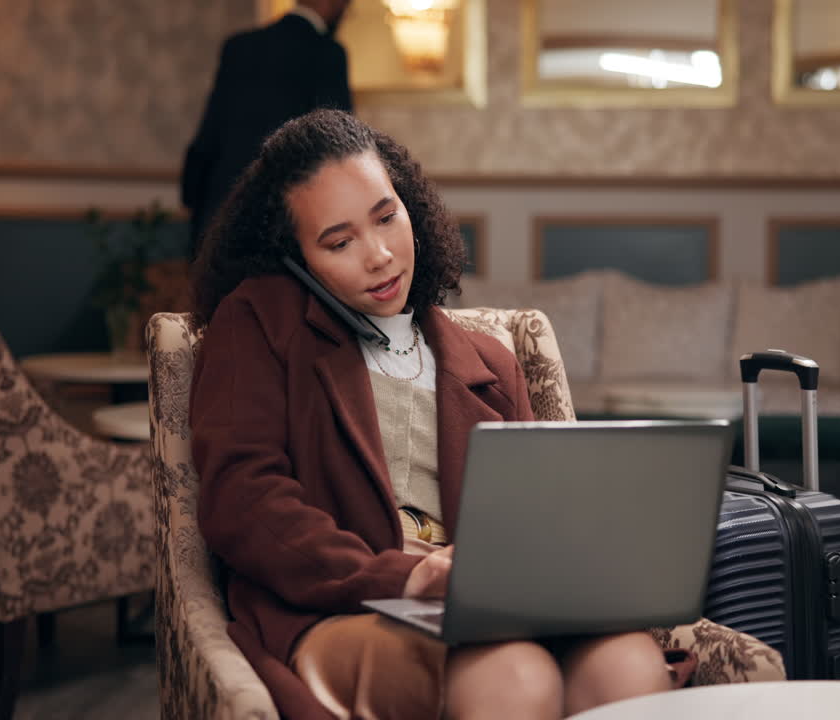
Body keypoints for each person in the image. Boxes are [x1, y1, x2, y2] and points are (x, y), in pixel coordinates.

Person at [188, 109, 678, 720]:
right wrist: (406, 579)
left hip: (493, 606)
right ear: (294, 258)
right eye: (339, 242)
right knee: (512, 674)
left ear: (410, 206)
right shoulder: (258, 322)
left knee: (627, 663)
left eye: (387, 217)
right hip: (340, 608)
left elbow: (542, 517)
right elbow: (243, 498)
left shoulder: (493, 362)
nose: (379, 255)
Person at [180, 0, 353, 258]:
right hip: (286, 227)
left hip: (219, 220)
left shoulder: (239, 47)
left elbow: (209, 137)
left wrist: (195, 207)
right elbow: (338, 145)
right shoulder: (328, 54)